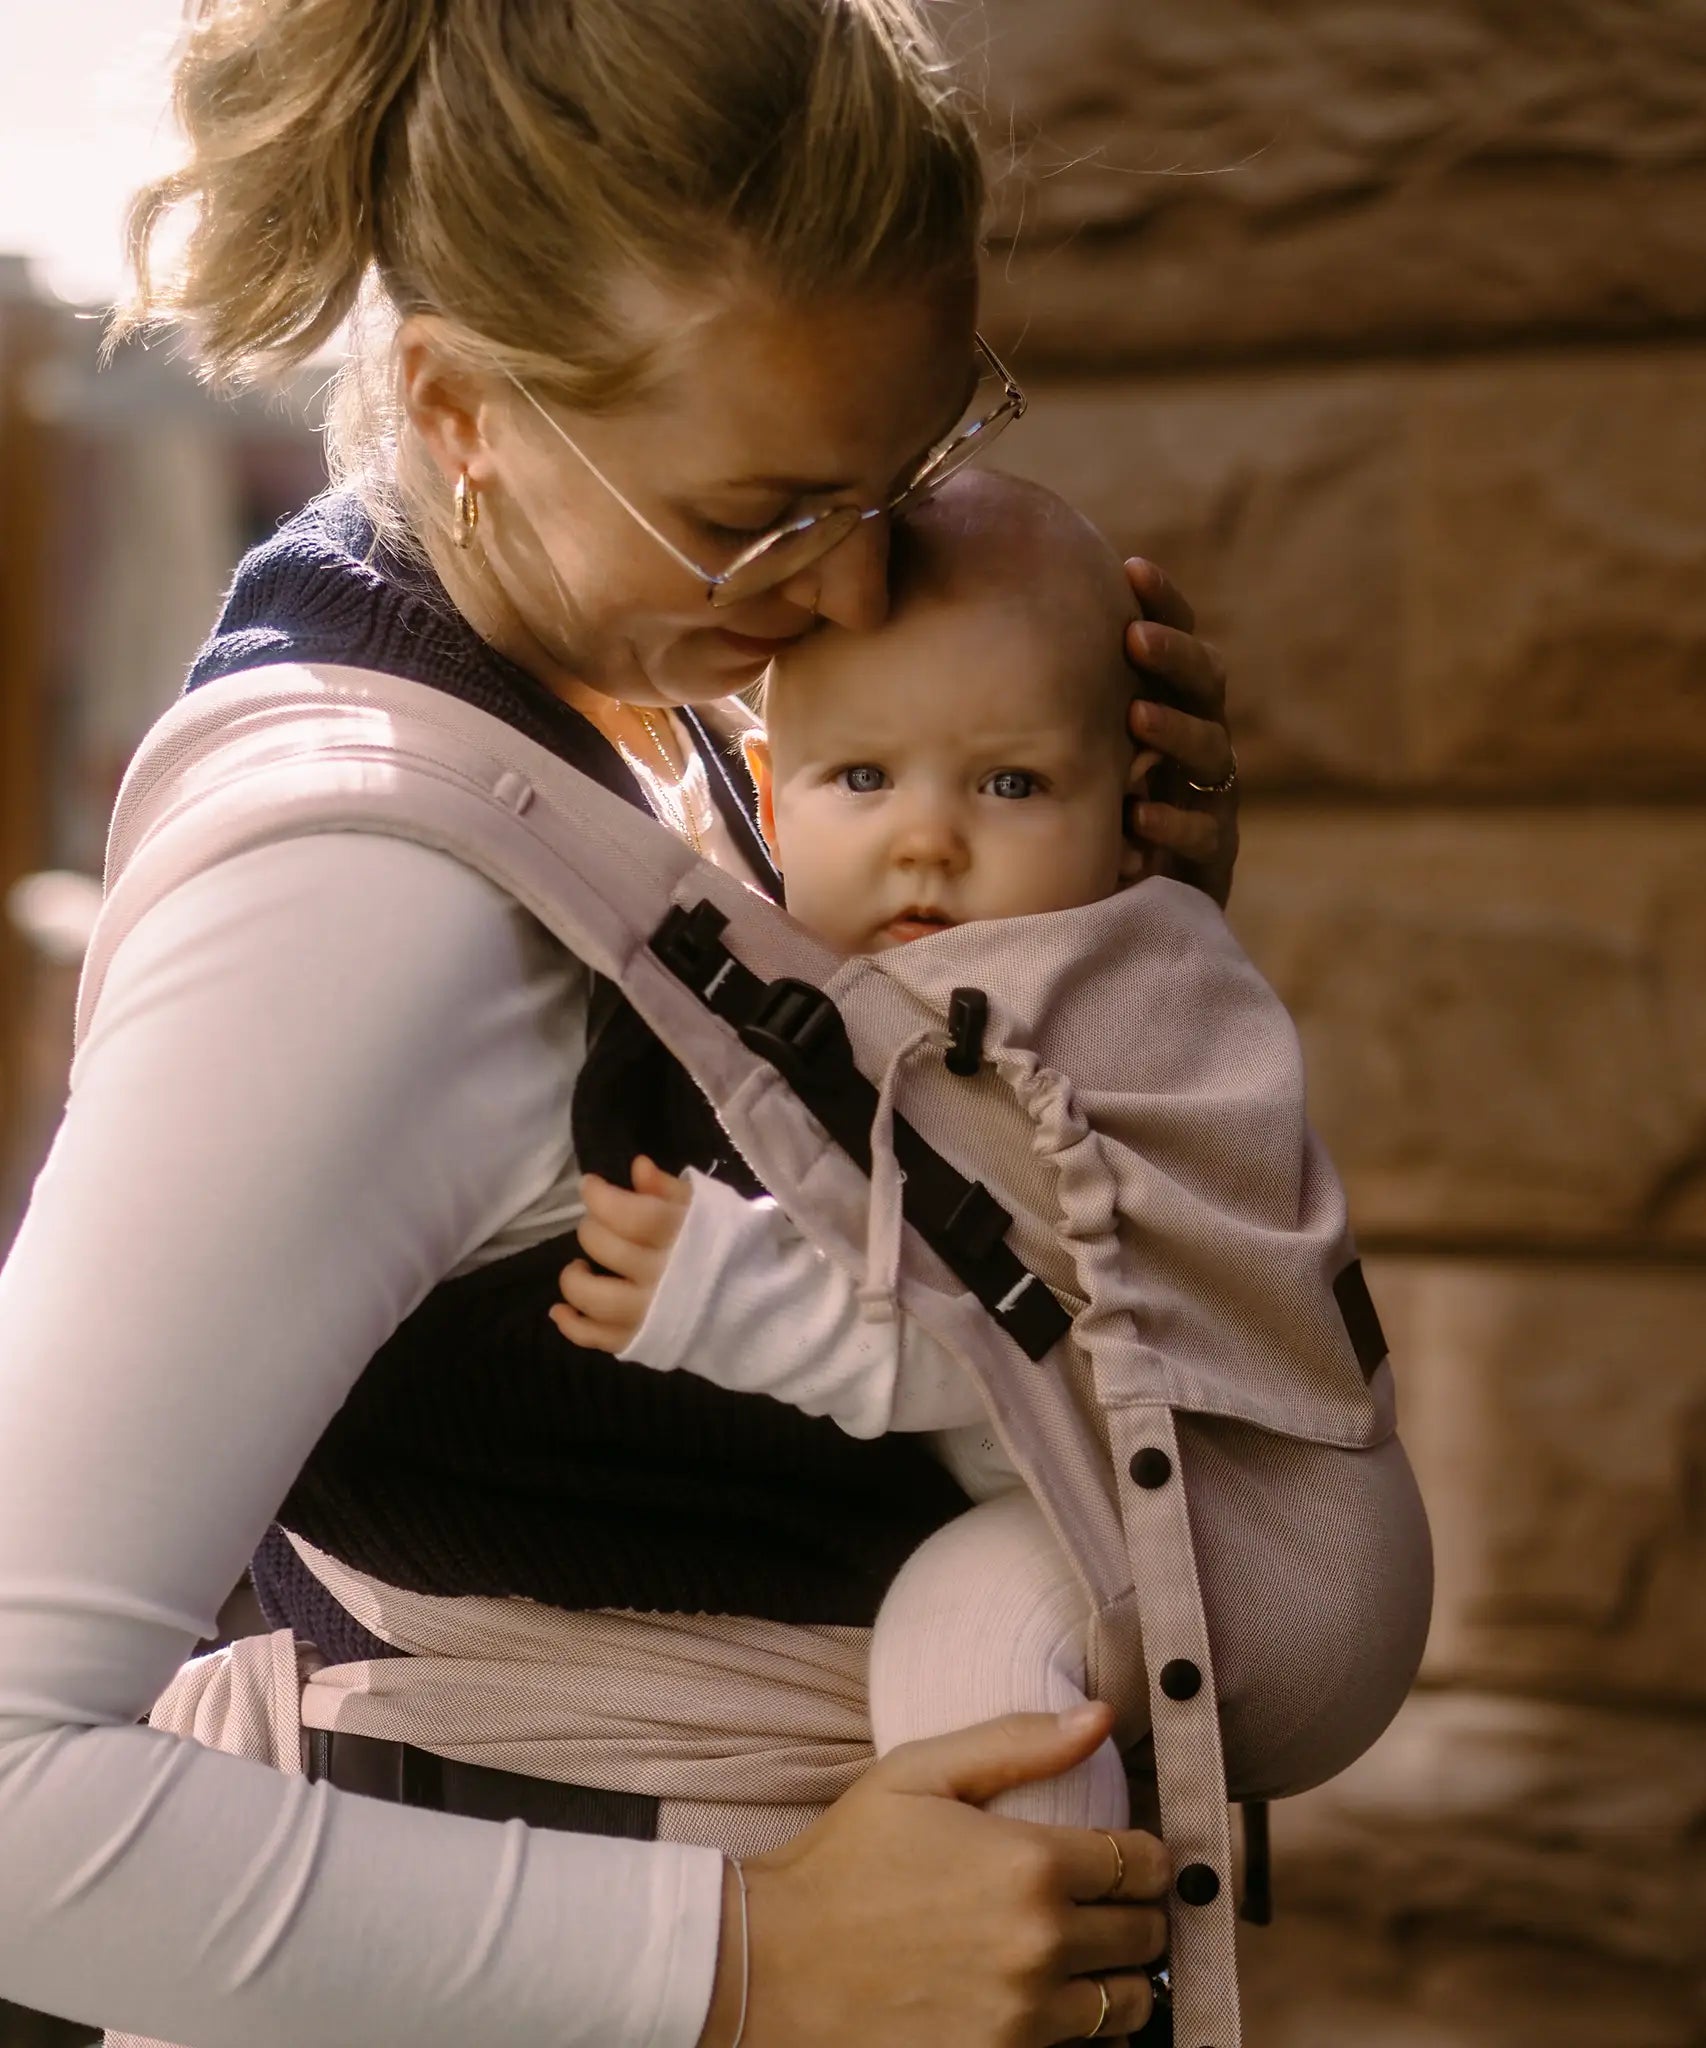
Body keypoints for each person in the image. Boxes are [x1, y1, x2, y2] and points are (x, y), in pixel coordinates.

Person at [0, 3, 1241, 2044]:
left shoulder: (663, 724)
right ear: (458, 402)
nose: (849, 603)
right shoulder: (357, 909)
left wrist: (1094, 953)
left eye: (912, 471)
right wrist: (754, 1960)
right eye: (758, 510)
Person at [548, 468, 1424, 1850]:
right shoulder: (942, 976)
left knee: (964, 1639)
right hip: (1231, 1531)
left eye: (1009, 782)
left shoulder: (1098, 996)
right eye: (861, 777)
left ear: (1134, 804)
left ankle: (999, 1979)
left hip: (1254, 1547)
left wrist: (733, 1291)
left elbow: (1007, 1335)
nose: (926, 838)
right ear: (769, 802)